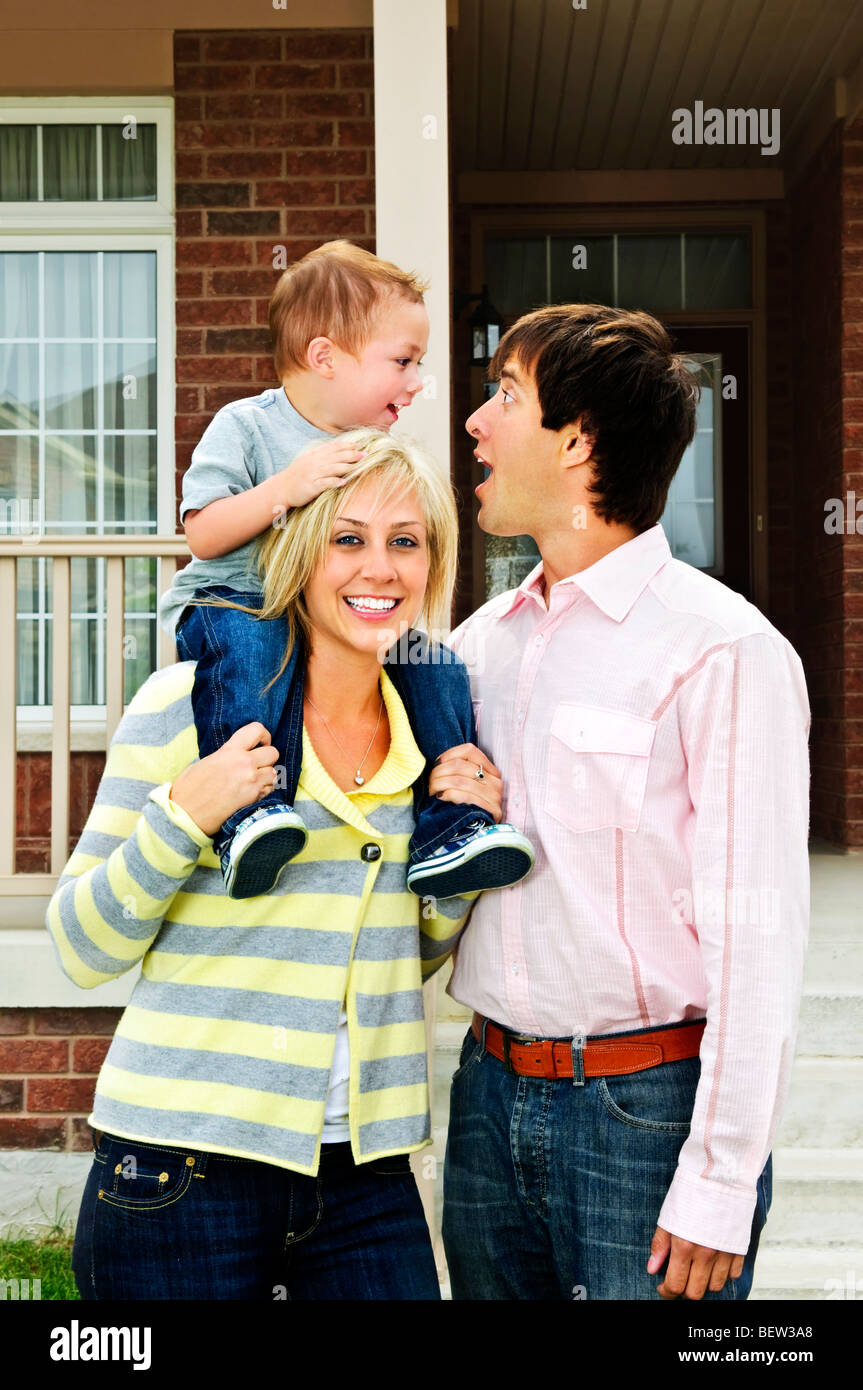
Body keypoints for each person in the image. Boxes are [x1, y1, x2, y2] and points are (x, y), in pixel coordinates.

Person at [48, 432, 500, 1301]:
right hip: (179, 1167)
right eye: (348, 538)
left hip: (365, 1171)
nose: (380, 569)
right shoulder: (186, 708)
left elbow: (406, 957)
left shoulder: (432, 725)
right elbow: (80, 946)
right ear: (298, 548)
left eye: (406, 542)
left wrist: (459, 868)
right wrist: (184, 816)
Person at [441, 303, 811, 1301]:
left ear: (578, 440)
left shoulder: (720, 652)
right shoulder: (481, 647)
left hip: (645, 1119)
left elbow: (757, 939)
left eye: (502, 395)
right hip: (485, 1099)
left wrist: (721, 1178)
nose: (474, 422)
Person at [158, 239, 533, 901]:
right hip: (237, 603)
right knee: (254, 652)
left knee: (434, 664)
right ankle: (249, 815)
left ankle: (450, 826)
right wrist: (289, 485)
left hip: (325, 622)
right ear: (324, 356)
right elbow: (204, 533)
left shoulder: (371, 451)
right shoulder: (246, 426)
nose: (417, 381)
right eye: (402, 361)